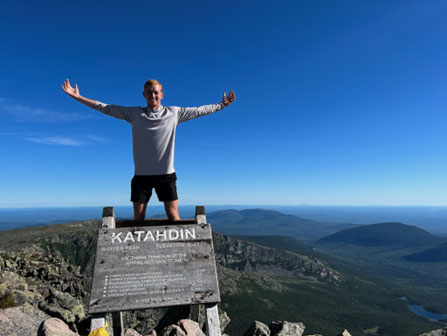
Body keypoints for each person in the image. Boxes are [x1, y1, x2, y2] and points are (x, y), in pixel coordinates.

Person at [61, 78, 235, 220]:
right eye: (149, 92)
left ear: (162, 94)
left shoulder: (174, 113)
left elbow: (199, 110)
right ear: (143, 94)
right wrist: (78, 97)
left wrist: (222, 105)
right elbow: (105, 108)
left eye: (156, 92)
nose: (153, 95)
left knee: (174, 216)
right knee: (138, 219)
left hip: (166, 174)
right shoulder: (134, 114)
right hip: (141, 175)